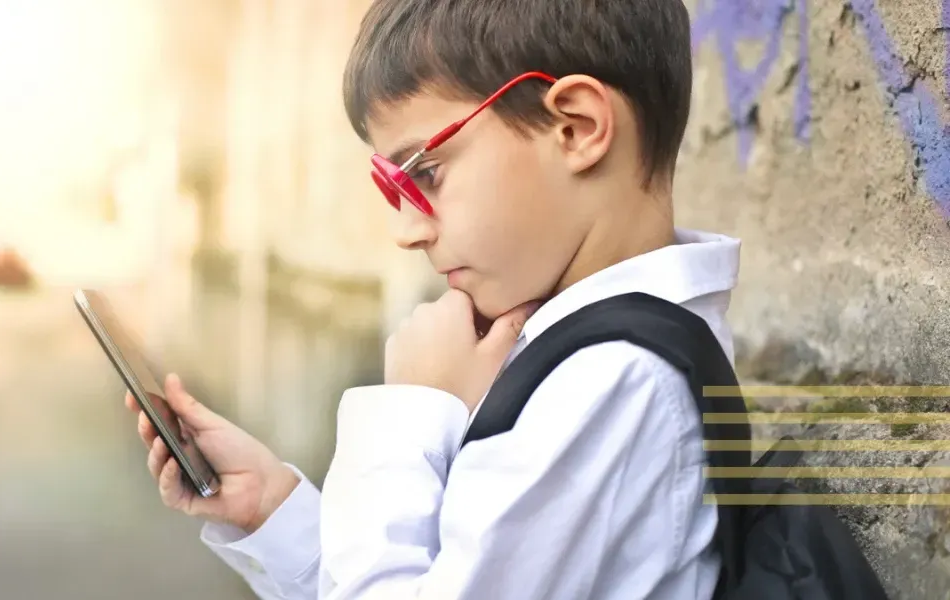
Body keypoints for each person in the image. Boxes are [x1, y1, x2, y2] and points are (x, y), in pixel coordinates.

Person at [124, 0, 741, 597]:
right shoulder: (590, 353)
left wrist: (410, 412)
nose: (406, 231)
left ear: (575, 127)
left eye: (424, 173)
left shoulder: (613, 384)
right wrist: (271, 510)